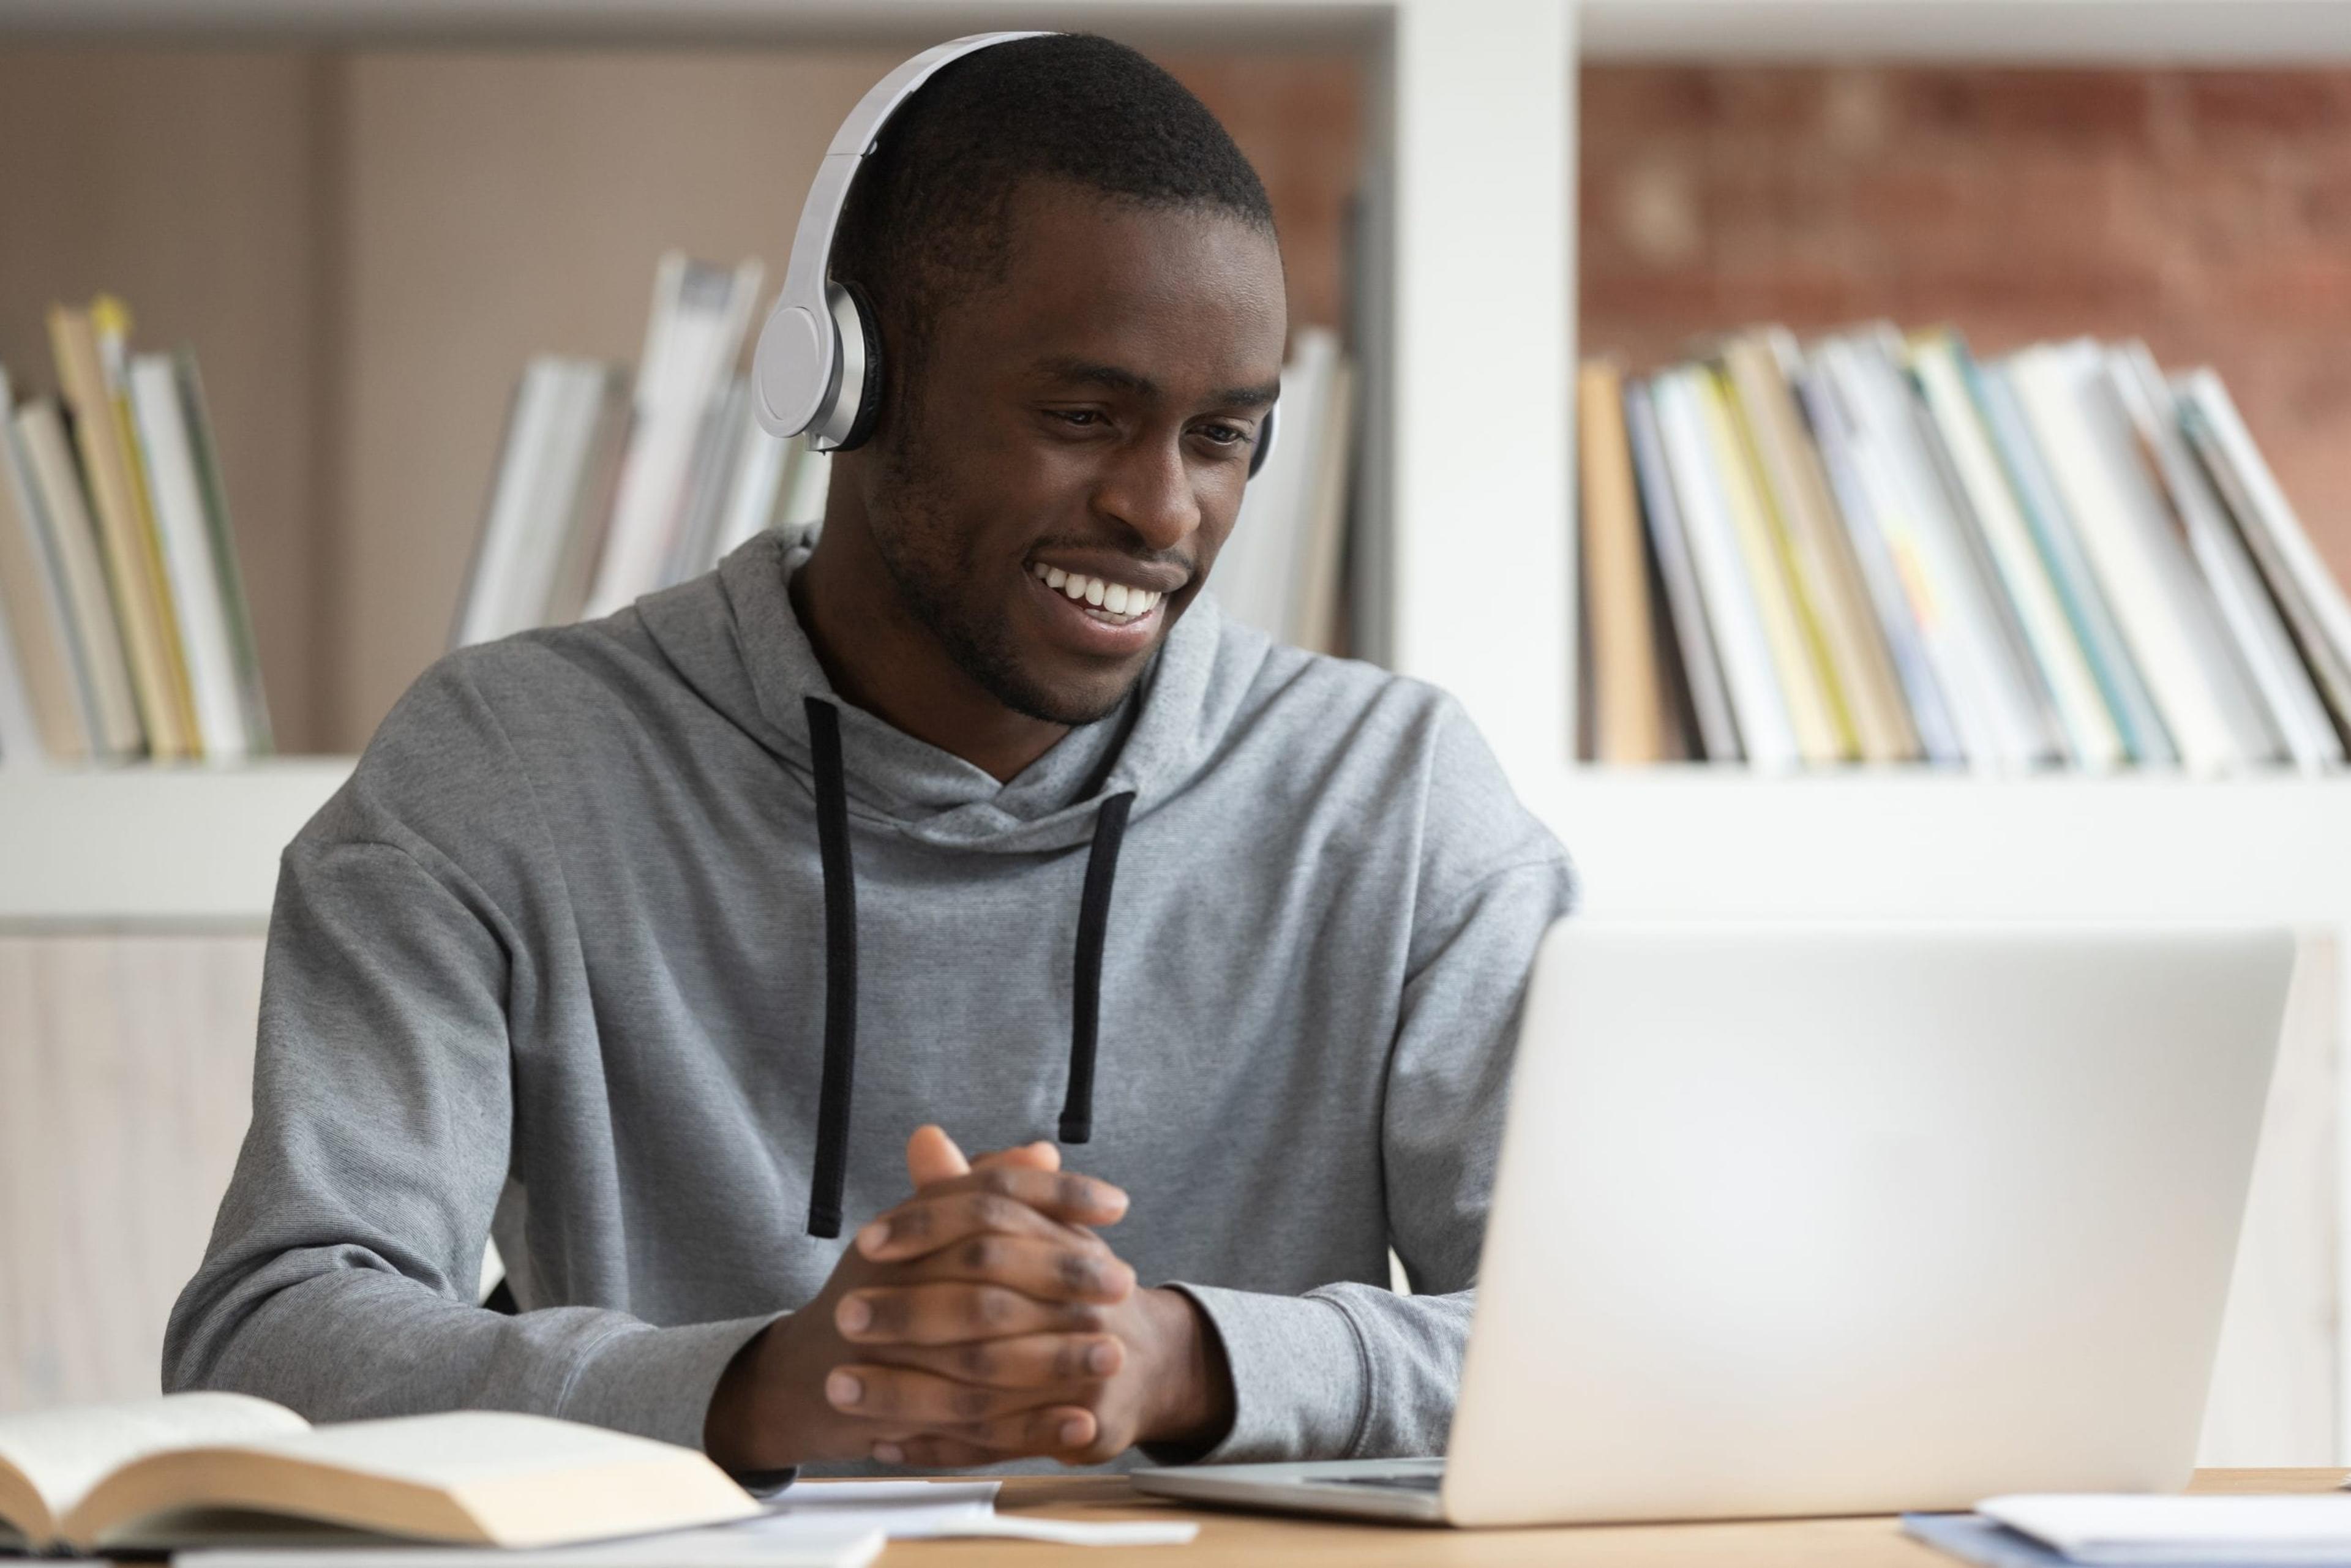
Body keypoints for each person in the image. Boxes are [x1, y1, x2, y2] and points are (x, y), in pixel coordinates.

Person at [165, 34, 1575, 1480]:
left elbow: (1606, 1342)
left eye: (1221, 438)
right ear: (846, 385)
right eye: (1085, 416)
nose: (1165, 512)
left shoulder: (1394, 799)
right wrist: (752, 1388)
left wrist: (1183, 1358)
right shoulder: (506, 770)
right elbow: (265, 1339)